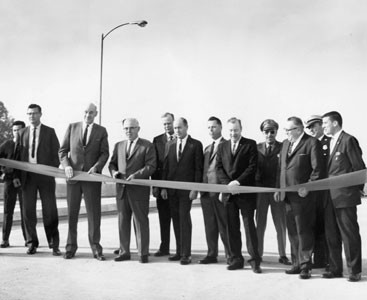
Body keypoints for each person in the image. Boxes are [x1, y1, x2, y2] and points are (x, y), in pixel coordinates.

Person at [274, 116, 323, 279]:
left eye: (289, 130)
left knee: (304, 230)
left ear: (299, 129)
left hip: (303, 196)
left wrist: (308, 187)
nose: (286, 133)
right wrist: (278, 189)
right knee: (292, 231)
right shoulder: (285, 144)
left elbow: (318, 170)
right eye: (285, 130)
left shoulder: (311, 143)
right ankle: (296, 263)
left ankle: (305, 265)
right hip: (287, 195)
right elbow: (281, 168)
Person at [59, 102, 109, 261]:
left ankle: (96, 248)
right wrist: (66, 166)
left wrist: (96, 167)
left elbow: (104, 153)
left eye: (92, 113)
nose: (88, 115)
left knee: (94, 215)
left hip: (91, 179)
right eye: (86, 112)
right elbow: (62, 151)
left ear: (96, 114)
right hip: (73, 179)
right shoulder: (72, 127)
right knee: (72, 214)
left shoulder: (102, 131)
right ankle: (70, 247)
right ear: (83, 112)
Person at [321, 111, 365, 282]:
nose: (323, 126)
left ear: (335, 123)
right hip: (329, 197)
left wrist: (354, 191)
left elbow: (359, 168)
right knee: (331, 234)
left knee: (349, 234)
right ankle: (335, 268)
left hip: (345, 197)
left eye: (325, 123)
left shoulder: (348, 140)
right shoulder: (328, 142)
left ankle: (354, 270)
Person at [216, 117, 262, 273]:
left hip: (245, 193)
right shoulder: (222, 146)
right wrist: (229, 185)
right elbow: (219, 168)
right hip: (230, 194)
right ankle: (236, 259)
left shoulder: (250, 144)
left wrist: (237, 182)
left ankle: (255, 261)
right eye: (230, 130)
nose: (233, 133)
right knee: (232, 227)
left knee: (249, 227)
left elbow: (252, 167)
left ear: (241, 129)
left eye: (235, 130)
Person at [109, 118, 156, 263]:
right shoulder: (118, 145)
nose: (128, 131)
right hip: (122, 190)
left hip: (139, 191)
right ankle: (124, 252)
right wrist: (114, 173)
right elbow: (112, 163)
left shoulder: (147, 146)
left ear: (138, 129)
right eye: (126, 129)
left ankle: (143, 253)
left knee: (141, 222)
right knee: (123, 221)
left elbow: (151, 166)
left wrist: (136, 176)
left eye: (132, 128)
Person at [17, 104, 61, 256]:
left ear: (40, 114)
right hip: (27, 177)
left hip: (45, 177)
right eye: (29, 114)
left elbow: (57, 153)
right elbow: (17, 156)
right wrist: (17, 176)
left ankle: (54, 244)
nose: (32, 116)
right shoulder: (22, 133)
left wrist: (49, 170)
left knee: (50, 211)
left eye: (35, 113)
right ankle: (32, 243)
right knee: (28, 211)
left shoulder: (50, 132)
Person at [161, 117, 203, 265]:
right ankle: (179, 251)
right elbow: (166, 167)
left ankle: (186, 254)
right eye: (175, 128)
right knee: (176, 220)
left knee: (184, 219)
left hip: (187, 191)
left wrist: (195, 188)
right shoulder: (169, 144)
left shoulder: (196, 145)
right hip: (172, 191)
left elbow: (198, 168)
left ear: (186, 127)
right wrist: (164, 187)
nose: (177, 130)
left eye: (180, 127)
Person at [255, 119, 290, 265]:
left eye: (272, 131)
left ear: (276, 131)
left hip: (277, 192)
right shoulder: (256, 148)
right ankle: (258, 254)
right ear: (262, 132)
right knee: (260, 225)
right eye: (266, 131)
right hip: (261, 192)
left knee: (280, 225)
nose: (269, 134)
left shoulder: (283, 147)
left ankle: (282, 254)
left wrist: (279, 189)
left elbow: (283, 171)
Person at [198, 116, 230, 264]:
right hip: (206, 193)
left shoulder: (227, 145)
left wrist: (225, 190)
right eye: (209, 127)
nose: (211, 130)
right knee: (209, 225)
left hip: (220, 192)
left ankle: (230, 254)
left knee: (224, 225)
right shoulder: (207, 148)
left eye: (214, 127)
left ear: (221, 127)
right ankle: (212, 254)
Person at [304, 115, 330, 269]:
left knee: (326, 227)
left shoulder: (328, 142)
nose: (312, 130)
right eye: (309, 127)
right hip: (311, 193)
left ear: (321, 125)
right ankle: (316, 258)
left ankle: (325, 259)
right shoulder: (307, 143)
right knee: (312, 225)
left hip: (326, 192)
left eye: (314, 126)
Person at [151, 112, 175, 257]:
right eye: (164, 124)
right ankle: (164, 246)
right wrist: (155, 186)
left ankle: (181, 249)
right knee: (163, 218)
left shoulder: (180, 138)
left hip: (177, 187)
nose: (167, 126)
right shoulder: (157, 140)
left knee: (179, 220)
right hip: (161, 187)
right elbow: (154, 165)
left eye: (169, 123)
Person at [0, 120, 27, 247]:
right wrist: (3, 171)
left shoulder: (28, 146)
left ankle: (28, 239)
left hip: (24, 182)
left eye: (19, 130)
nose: (16, 133)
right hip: (10, 181)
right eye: (14, 130)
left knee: (25, 211)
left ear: (24, 131)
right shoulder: (7, 144)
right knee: (7, 211)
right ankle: (5, 239)